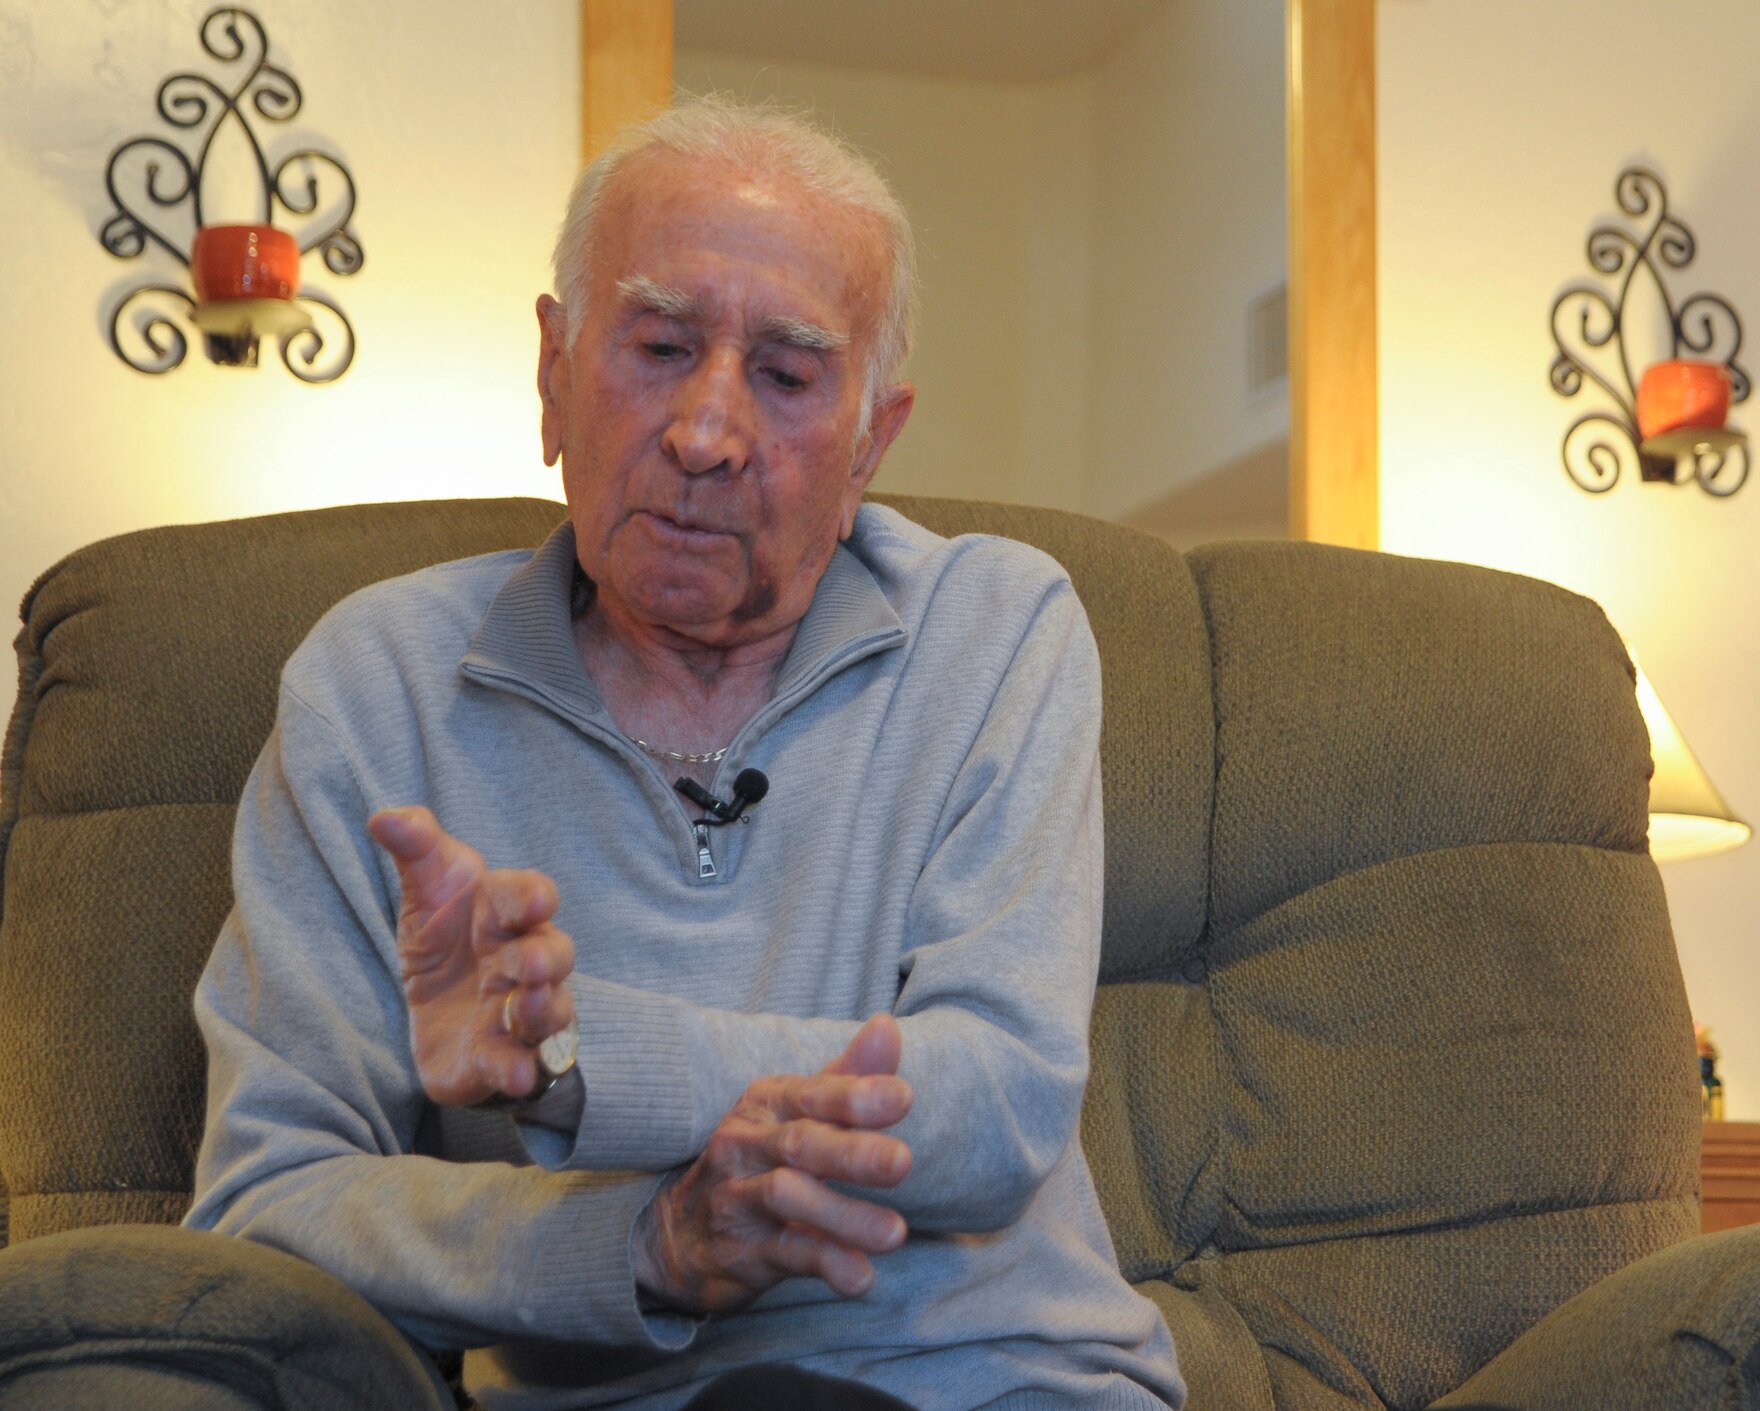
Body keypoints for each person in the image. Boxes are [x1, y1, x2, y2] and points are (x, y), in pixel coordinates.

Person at [183, 95, 1185, 1411]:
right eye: (659, 345)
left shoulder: (996, 631)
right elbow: (266, 1201)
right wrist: (643, 1245)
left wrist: (574, 1055)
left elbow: (991, 1100)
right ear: (553, 371)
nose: (707, 434)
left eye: (786, 375)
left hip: (1006, 1387)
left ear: (871, 443)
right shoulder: (376, 690)